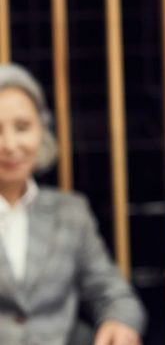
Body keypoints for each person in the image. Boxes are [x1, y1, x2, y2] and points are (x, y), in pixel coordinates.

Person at [0, 63, 145, 345]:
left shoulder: (71, 212)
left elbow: (113, 293)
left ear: (42, 131)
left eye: (22, 127)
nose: (10, 144)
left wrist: (120, 322)